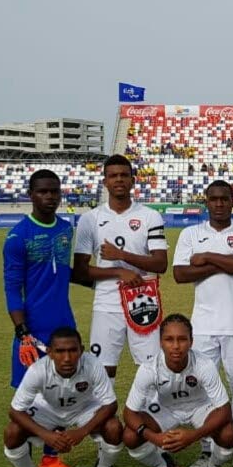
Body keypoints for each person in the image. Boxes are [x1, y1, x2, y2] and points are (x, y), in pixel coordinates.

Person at [3, 169, 83, 467]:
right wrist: (22, 331)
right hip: (32, 333)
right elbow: (12, 288)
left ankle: (51, 461)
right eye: (43, 192)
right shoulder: (17, 236)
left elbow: (71, 274)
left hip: (64, 326)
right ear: (31, 194)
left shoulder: (66, 230)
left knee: (61, 396)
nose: (50, 197)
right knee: (27, 399)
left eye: (54, 191)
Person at [172, 180, 233, 467]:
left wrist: (208, 257)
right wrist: (227, 263)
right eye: (214, 199)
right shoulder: (191, 234)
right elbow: (181, 274)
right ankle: (207, 449)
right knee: (204, 390)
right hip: (204, 325)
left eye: (225, 199)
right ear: (205, 201)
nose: (219, 204)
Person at [72, 154, 168, 386]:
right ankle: (105, 420)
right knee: (103, 368)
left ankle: (148, 417)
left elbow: (160, 264)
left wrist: (122, 256)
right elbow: (80, 272)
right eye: (113, 175)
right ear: (104, 181)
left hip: (144, 301)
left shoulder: (149, 216)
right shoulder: (90, 219)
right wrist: (117, 271)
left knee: (150, 368)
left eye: (124, 175)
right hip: (106, 303)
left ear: (133, 180)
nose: (119, 180)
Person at [3, 327, 124, 467]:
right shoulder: (38, 370)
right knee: (12, 432)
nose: (67, 358)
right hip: (48, 410)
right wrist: (47, 435)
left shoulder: (92, 364)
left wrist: (82, 432)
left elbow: (110, 404)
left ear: (81, 350)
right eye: (60, 351)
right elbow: (15, 410)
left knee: (114, 427)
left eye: (72, 350)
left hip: (84, 409)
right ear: (50, 352)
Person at [122, 314, 233, 467]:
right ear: (160, 342)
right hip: (166, 409)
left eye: (182, 339)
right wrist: (154, 437)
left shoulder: (204, 364)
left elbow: (224, 409)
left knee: (228, 434)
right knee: (130, 436)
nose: (175, 346)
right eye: (169, 339)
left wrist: (193, 436)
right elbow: (128, 412)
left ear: (191, 342)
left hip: (200, 407)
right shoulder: (149, 368)